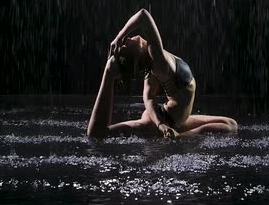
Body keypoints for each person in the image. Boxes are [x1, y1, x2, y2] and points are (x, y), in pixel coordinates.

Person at [87, 8, 238, 138]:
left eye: (126, 39)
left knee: (230, 124)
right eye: (127, 44)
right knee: (99, 134)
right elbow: (143, 15)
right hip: (164, 121)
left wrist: (161, 124)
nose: (128, 39)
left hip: (169, 118)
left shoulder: (151, 68)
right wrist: (119, 37)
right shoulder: (157, 58)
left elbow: (149, 98)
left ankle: (173, 132)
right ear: (136, 56)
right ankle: (179, 137)